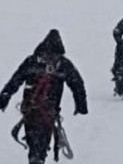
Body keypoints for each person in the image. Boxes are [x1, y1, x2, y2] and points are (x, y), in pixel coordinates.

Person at [0, 29, 88, 164]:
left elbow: (15, 80)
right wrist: (81, 105)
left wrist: (4, 98)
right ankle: (38, 157)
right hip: (48, 112)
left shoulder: (31, 61)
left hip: (30, 110)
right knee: (42, 139)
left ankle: (35, 157)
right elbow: (77, 85)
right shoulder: (63, 64)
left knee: (34, 139)